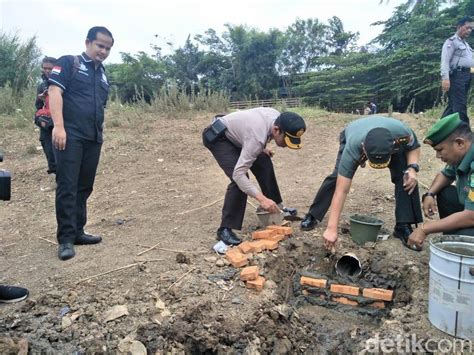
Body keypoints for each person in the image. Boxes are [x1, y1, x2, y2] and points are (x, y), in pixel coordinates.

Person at [299, 116, 423, 250]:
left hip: (388, 140)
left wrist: (412, 168)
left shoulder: (403, 134)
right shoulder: (353, 147)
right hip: (354, 133)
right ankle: (313, 215)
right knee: (337, 178)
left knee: (406, 175)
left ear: (393, 146)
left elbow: (414, 147)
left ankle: (403, 225)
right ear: (363, 148)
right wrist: (331, 228)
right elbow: (342, 190)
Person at [48, 26, 114, 261]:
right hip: (70, 135)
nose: (104, 51)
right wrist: (59, 126)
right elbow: (55, 92)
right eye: (100, 46)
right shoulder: (69, 63)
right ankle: (65, 239)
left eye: (108, 48)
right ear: (88, 42)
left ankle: (78, 231)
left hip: (93, 138)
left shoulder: (103, 74)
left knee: (84, 186)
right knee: (67, 185)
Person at [203, 108, 306, 246]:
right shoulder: (257, 138)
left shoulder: (277, 117)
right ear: (276, 130)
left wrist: (261, 148)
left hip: (239, 136)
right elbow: (238, 174)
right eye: (287, 140)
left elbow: (250, 128)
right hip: (219, 137)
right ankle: (224, 229)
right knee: (239, 179)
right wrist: (261, 199)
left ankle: (276, 208)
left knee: (264, 160)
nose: (287, 145)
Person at [408, 113, 474, 250]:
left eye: (440, 150)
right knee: (446, 193)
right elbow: (446, 174)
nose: (438, 156)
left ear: (460, 143)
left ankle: (458, 246)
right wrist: (430, 194)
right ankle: (453, 241)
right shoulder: (464, 154)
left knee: (464, 239)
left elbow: (471, 216)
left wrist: (425, 228)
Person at [440, 16, 474, 124]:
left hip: (467, 76)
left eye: (471, 29)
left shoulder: (466, 45)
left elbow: (469, 63)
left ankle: (438, 132)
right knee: (460, 106)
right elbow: (445, 61)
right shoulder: (451, 42)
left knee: (452, 107)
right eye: (467, 27)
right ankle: (466, 135)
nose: (469, 30)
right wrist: (445, 78)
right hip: (456, 77)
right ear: (459, 26)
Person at [35, 56, 57, 192]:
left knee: (61, 153)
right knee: (49, 152)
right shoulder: (42, 85)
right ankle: (56, 181)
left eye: (50, 68)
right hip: (46, 126)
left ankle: (64, 181)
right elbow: (38, 107)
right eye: (45, 68)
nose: (47, 71)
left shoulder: (62, 83)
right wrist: (40, 121)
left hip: (60, 124)